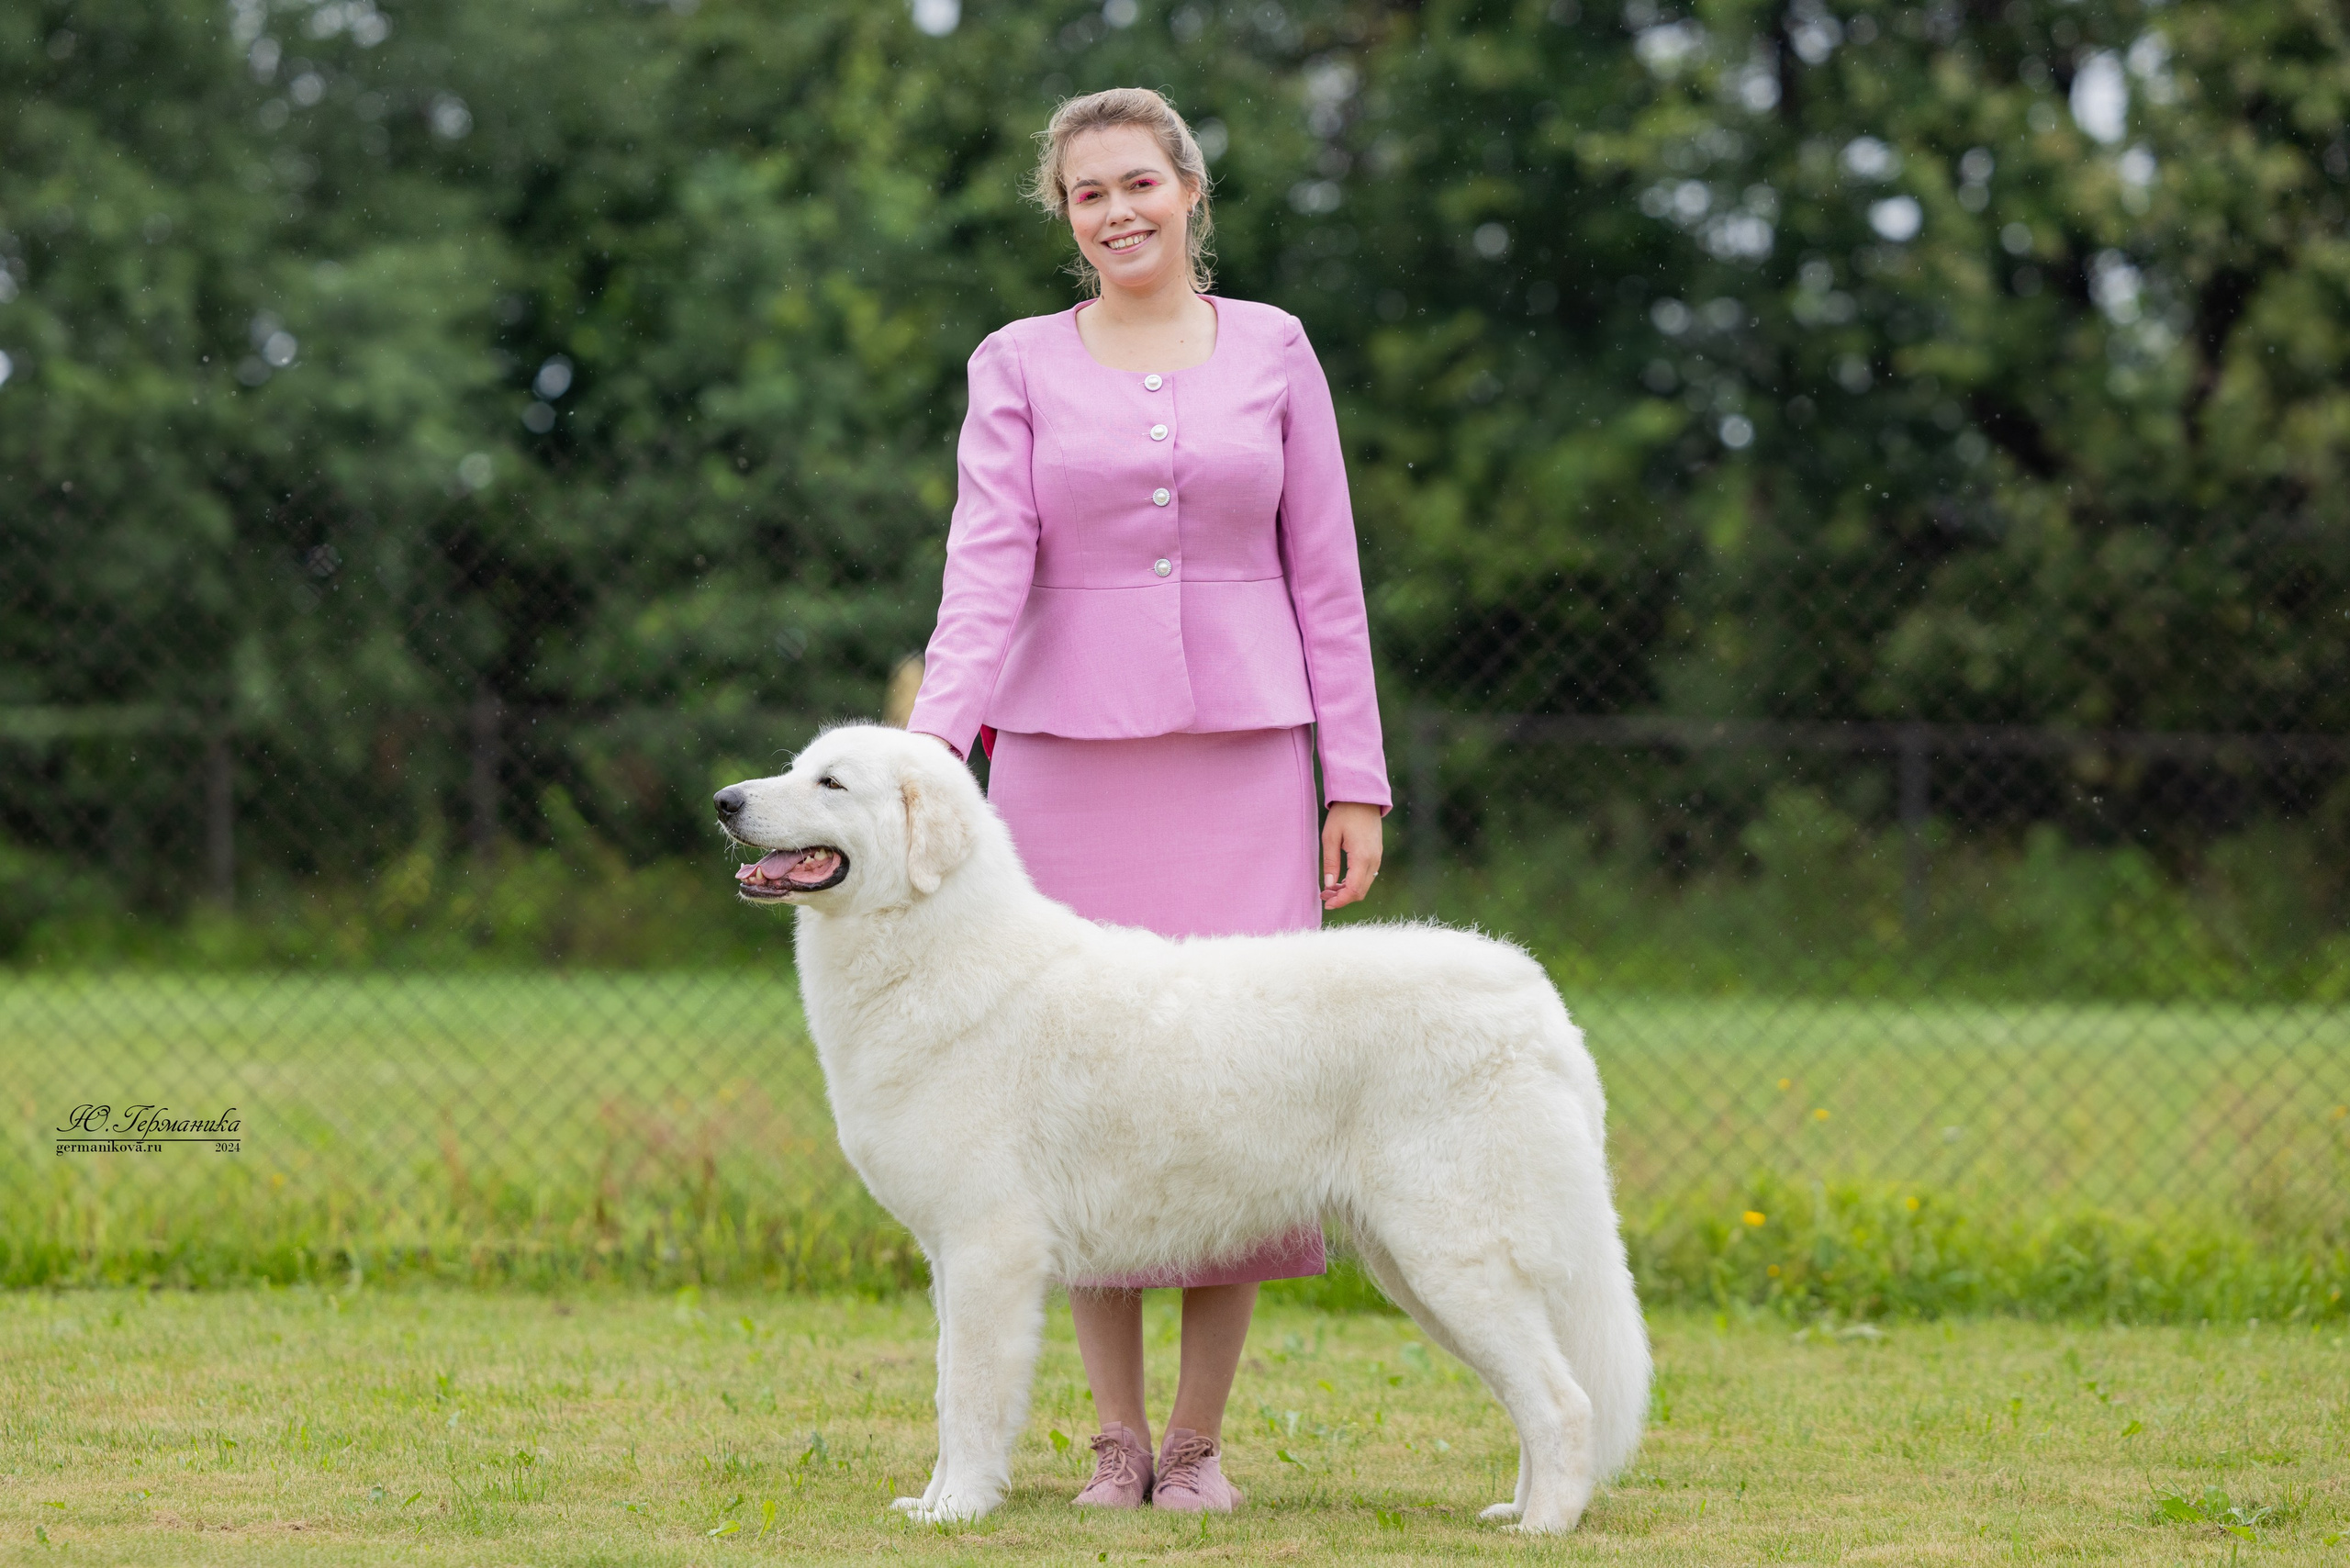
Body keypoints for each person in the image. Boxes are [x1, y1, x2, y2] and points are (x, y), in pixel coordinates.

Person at [905, 86, 1389, 1514]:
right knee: (1088, 1098)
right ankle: (1113, 1441)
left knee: (1240, 1089)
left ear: (1189, 188)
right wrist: (935, 761)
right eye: (1086, 195)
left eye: (1136, 183)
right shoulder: (1015, 364)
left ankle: (1199, 1444)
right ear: (1065, 220)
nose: (1115, 211)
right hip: (1061, 765)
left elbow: (1329, 577)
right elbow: (984, 572)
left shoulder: (1279, 350)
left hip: (1251, 760)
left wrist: (1352, 778)